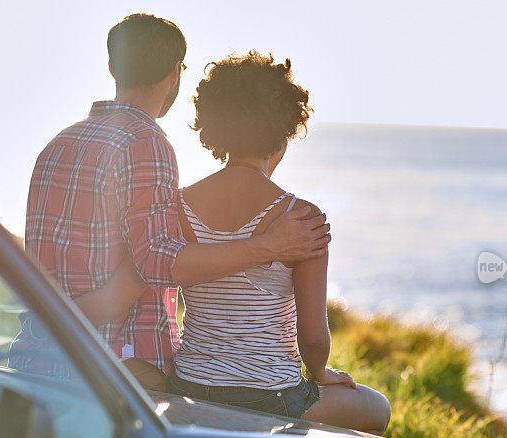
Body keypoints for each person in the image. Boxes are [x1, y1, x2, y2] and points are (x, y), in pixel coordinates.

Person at [81, 52, 390, 434]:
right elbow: (312, 337)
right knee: (378, 408)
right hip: (272, 396)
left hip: (192, 387)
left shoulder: (175, 207)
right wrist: (321, 371)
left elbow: (131, 282)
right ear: (285, 127)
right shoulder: (301, 218)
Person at [25, 14, 330, 388]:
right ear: (175, 73)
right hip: (118, 367)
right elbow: (156, 261)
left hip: (39, 356)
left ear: (111, 67)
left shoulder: (56, 146)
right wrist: (268, 245)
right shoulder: (146, 142)